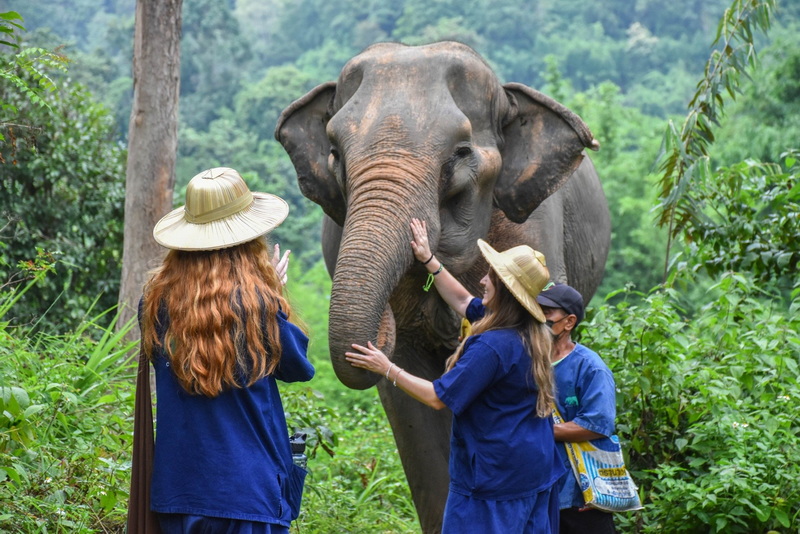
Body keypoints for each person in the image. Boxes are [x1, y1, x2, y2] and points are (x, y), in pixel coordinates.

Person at [345, 218, 565, 534]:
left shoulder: (493, 345)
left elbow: (437, 397)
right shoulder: (528, 331)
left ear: (504, 289)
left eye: (491, 276)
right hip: (533, 469)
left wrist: (386, 368)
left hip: (494, 479)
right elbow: (462, 301)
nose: (484, 281)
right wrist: (429, 260)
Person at [139, 167, 315, 533]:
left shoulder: (154, 304)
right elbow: (297, 366)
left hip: (180, 492)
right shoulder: (259, 308)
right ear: (248, 243)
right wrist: (273, 294)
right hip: (249, 494)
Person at [536, 283, 618, 534]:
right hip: (539, 492)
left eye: (547, 313)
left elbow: (596, 424)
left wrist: (533, 430)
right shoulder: (529, 358)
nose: (539, 318)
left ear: (569, 322)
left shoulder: (590, 368)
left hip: (581, 496)